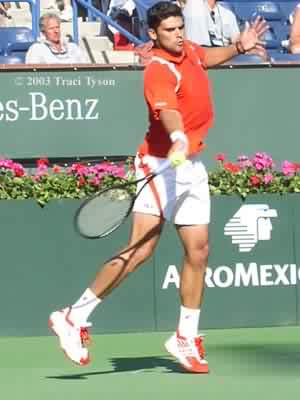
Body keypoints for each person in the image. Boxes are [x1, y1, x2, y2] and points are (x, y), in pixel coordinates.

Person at [49, 1, 267, 373]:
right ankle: (74, 315)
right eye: (169, 30)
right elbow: (168, 112)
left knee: (198, 251)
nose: (178, 34)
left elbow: (205, 58)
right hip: (160, 165)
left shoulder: (190, 51)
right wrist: (178, 136)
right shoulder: (158, 70)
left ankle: (185, 336)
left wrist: (237, 48)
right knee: (140, 250)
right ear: (153, 33)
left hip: (191, 165)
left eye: (180, 27)